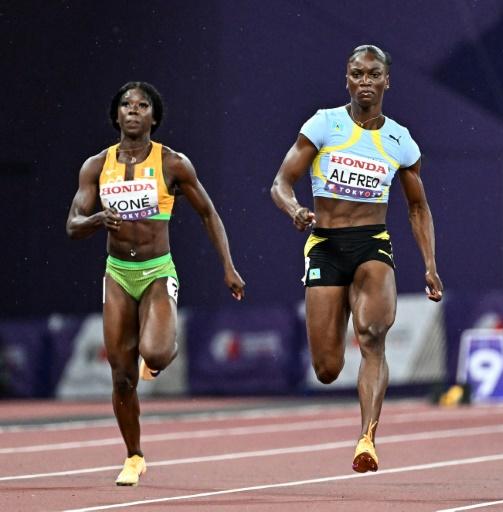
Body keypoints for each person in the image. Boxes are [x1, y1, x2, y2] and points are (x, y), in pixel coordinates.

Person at [271, 44, 443, 473]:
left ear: (387, 81)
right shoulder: (323, 124)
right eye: (357, 74)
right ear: (346, 79)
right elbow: (280, 183)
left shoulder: (400, 141)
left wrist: (430, 265)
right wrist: (294, 210)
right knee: (327, 368)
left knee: (371, 336)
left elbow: (418, 208)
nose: (365, 81)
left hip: (372, 245)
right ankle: (351, 391)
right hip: (326, 245)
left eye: (373, 74)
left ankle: (367, 436)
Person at [66, 82, 245, 486]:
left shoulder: (173, 164)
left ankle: (161, 348)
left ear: (154, 117)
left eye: (142, 105)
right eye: (126, 105)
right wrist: (96, 221)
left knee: (157, 354)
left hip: (156, 271)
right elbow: (72, 225)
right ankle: (134, 456)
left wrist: (228, 266)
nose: (133, 110)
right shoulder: (96, 166)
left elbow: (209, 214)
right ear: (116, 115)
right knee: (122, 376)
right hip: (117, 275)